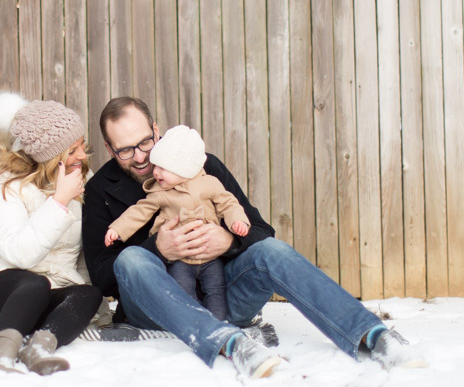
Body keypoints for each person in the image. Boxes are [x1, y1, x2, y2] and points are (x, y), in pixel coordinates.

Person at [82, 97, 426, 379]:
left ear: (157, 130)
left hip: (224, 294)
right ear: (111, 150)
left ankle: (374, 335)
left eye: (145, 142)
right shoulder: (100, 190)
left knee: (272, 250)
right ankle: (229, 343)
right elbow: (101, 275)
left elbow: (260, 230)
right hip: (157, 307)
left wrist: (229, 242)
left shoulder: (202, 166)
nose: (141, 157)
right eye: (126, 150)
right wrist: (157, 250)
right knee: (131, 258)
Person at [0, 92, 103, 375]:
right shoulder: (5, 185)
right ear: (50, 158)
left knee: (89, 294)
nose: (83, 156)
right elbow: (19, 254)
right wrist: (59, 202)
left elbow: (84, 250)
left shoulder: (82, 179)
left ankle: (39, 349)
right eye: (72, 151)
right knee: (34, 284)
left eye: (82, 145)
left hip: (51, 288)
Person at [104, 124, 250, 321]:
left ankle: (218, 325)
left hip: (210, 257)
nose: (156, 172)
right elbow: (139, 211)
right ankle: (195, 322)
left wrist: (237, 222)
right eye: (156, 166)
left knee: (216, 290)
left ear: (184, 168)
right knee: (182, 290)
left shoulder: (210, 184)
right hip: (179, 260)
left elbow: (229, 204)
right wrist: (118, 229)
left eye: (163, 168)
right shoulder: (161, 192)